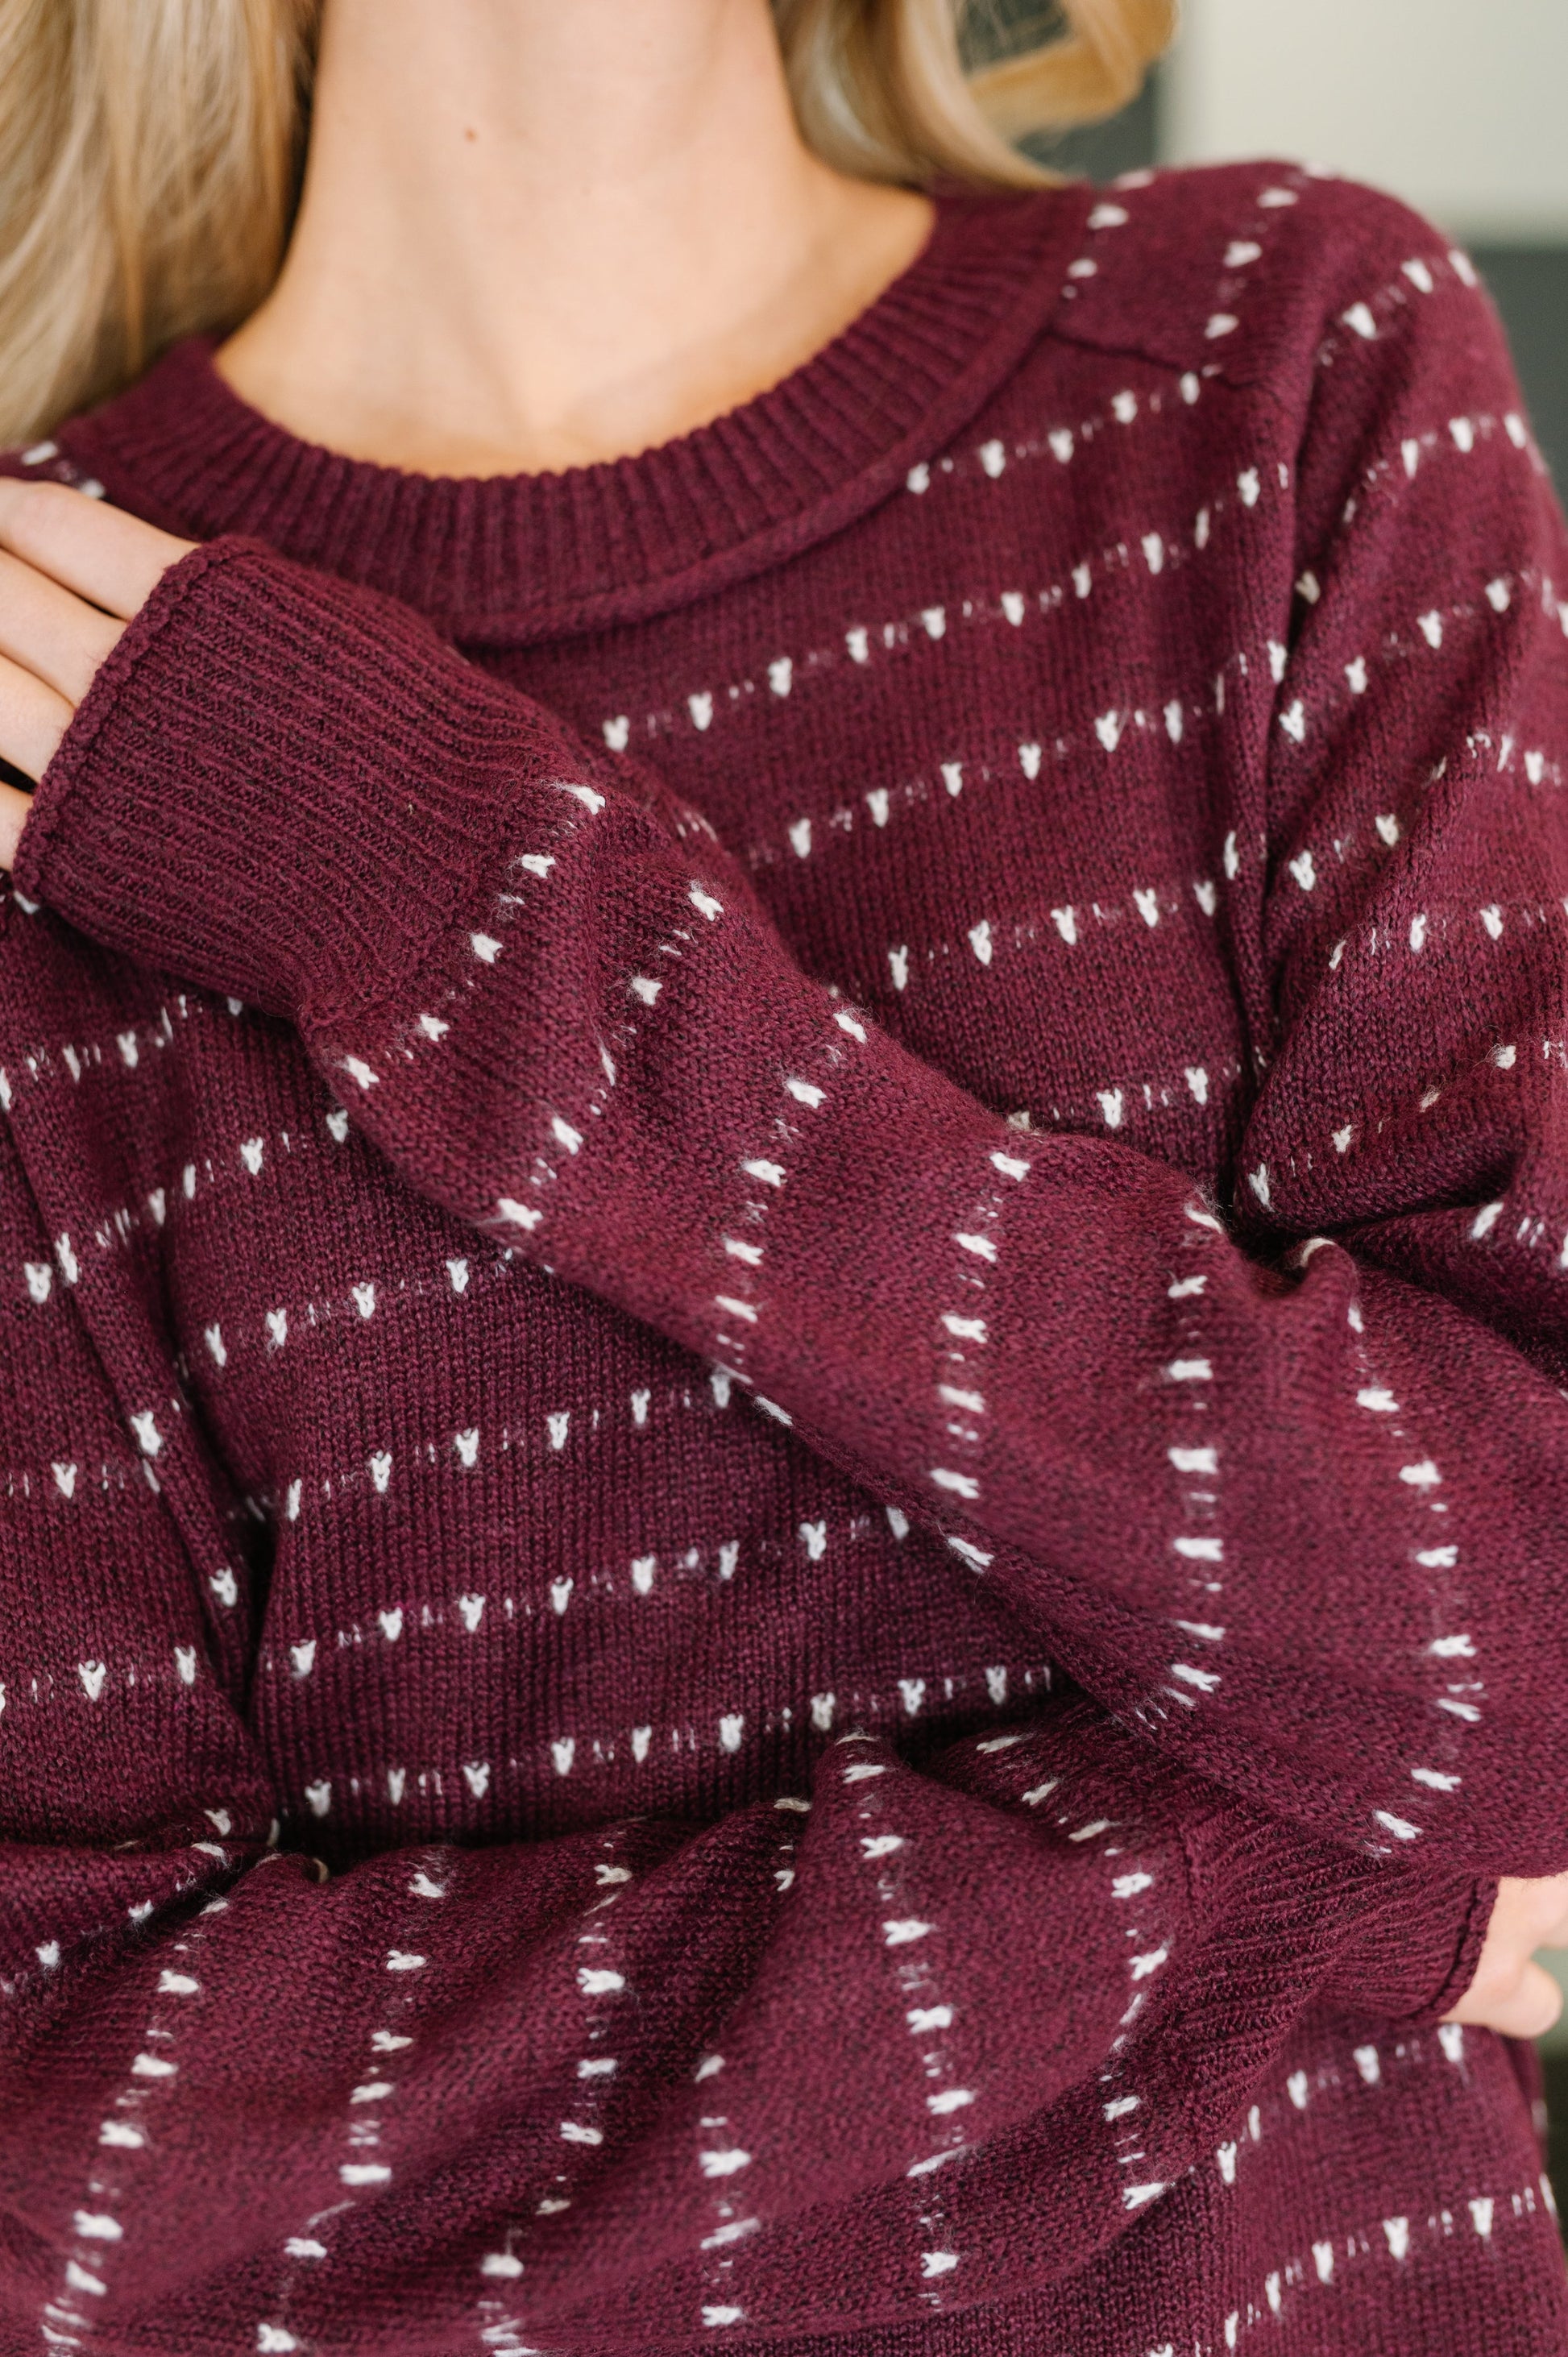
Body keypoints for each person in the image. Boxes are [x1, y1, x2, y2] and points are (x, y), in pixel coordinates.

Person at [1, 0, 1566, 2349]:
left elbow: (1530, 1620)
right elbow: (82, 2174)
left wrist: (458, 917)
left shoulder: (1270, 364)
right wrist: (1289, 1889)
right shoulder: (51, 679)